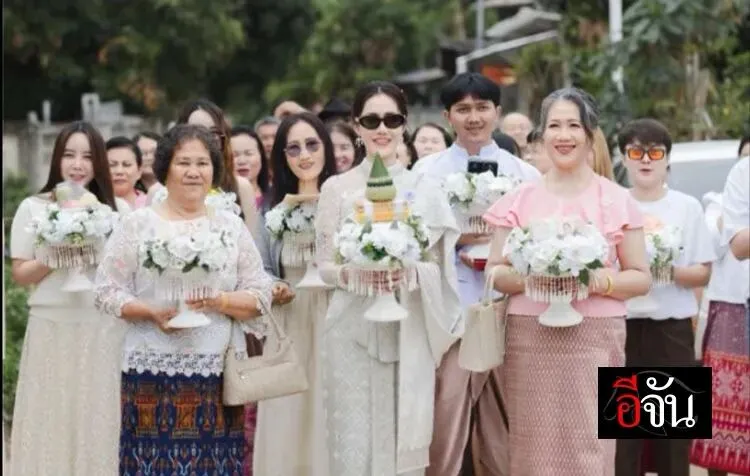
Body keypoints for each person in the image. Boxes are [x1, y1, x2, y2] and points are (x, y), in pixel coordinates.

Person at [484, 87, 652, 475]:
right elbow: (495, 271)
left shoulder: (617, 199)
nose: (564, 135)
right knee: (532, 444)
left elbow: (640, 278)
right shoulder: (519, 199)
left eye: (574, 125)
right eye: (554, 126)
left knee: (590, 442)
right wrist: (538, 277)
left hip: (595, 337)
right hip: (530, 335)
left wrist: (593, 281)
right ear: (542, 135)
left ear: (590, 134)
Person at [94, 124, 273, 475]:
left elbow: (260, 292)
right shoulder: (138, 225)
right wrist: (149, 311)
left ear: (214, 170)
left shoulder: (229, 226)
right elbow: (105, 291)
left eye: (202, 163)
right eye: (184, 163)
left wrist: (220, 301)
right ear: (165, 168)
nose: (194, 172)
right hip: (149, 372)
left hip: (216, 373)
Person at [315, 81, 461, 474]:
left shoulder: (425, 189)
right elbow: (324, 266)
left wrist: (409, 272)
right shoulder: (336, 188)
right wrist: (355, 273)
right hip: (350, 328)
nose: (382, 129)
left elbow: (441, 269)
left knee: (403, 444)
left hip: (409, 327)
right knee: (353, 445)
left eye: (392, 120)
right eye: (371, 120)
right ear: (356, 126)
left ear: (404, 124)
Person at [412, 72, 539, 476]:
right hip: (447, 312)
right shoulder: (426, 173)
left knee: (505, 419)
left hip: (508, 309)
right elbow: (413, 241)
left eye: (482, 107)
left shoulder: (524, 175)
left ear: (497, 112)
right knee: (446, 413)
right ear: (447, 116)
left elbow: (537, 242)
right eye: (463, 109)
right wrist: (458, 237)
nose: (473, 117)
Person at [9, 121, 130, 475]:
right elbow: (20, 273)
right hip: (51, 325)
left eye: (87, 156)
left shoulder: (118, 211)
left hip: (102, 328)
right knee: (50, 417)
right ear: (57, 159)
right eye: (69, 155)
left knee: (96, 419)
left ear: (99, 161)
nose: (78, 164)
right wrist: (56, 252)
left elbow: (126, 274)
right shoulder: (33, 208)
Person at [615, 118, 715, 476]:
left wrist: (664, 272)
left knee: (674, 439)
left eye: (655, 152)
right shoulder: (613, 204)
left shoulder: (687, 206)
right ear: (623, 157)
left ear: (667, 159)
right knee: (623, 436)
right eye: (636, 152)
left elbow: (702, 272)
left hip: (673, 328)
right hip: (623, 327)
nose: (646, 160)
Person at [253, 112, 337, 476]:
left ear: (325, 148)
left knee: (329, 410)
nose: (304, 155)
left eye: (312, 144)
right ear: (282, 156)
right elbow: (260, 269)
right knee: (287, 414)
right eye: (293, 148)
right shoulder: (273, 209)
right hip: (288, 323)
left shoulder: (344, 201)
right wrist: (274, 286)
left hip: (335, 319)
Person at [690, 149, 750, 476]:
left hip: (673, 321)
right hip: (715, 308)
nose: (646, 160)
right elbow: (721, 252)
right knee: (716, 419)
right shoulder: (702, 206)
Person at [166, 98, 258, 231]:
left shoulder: (241, 187)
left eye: (213, 133)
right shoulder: (159, 191)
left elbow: (251, 240)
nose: (205, 139)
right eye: (196, 131)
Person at [230, 126, 271, 211]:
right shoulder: (216, 200)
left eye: (249, 153)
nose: (242, 161)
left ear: (261, 156)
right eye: (234, 155)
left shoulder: (278, 197)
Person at [107, 136, 149, 209]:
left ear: (139, 171)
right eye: (112, 165)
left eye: (127, 165)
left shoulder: (151, 205)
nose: (119, 171)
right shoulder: (91, 204)